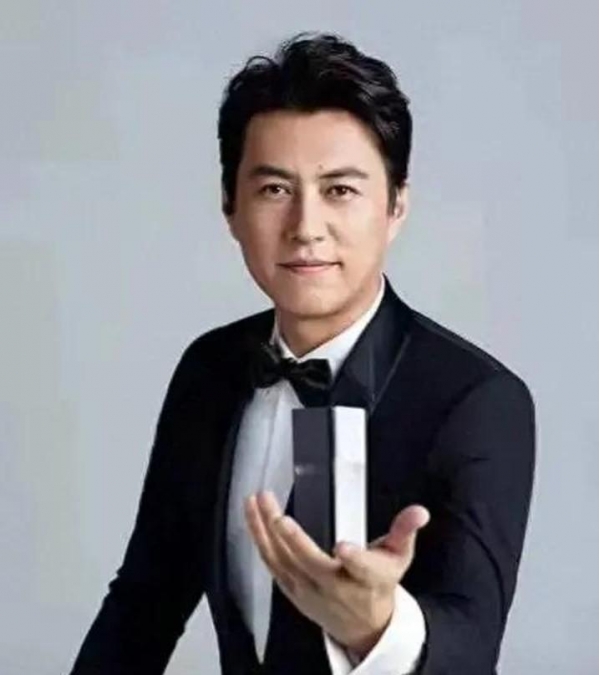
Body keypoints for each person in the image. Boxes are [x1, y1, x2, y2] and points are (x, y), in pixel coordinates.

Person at [68, 32, 536, 675]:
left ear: (396, 205)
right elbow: (143, 605)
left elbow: (471, 645)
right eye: (274, 190)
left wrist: (378, 627)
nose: (306, 228)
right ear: (230, 206)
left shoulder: (478, 400)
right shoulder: (210, 369)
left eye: (340, 190)